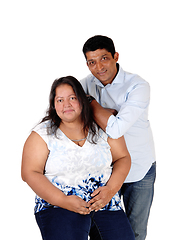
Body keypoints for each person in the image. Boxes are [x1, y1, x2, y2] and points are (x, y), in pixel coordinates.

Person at [21, 76, 135, 240]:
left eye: (72, 98)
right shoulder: (42, 134)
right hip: (58, 204)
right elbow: (29, 173)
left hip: (104, 203)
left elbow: (123, 157)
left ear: (82, 100)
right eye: (59, 100)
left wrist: (110, 190)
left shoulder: (104, 127)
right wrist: (63, 200)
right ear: (53, 105)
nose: (66, 105)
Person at [81, 35, 156, 240]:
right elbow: (65, 111)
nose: (98, 67)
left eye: (104, 58)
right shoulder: (85, 84)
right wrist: (108, 112)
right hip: (104, 169)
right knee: (100, 231)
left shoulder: (138, 86)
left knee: (135, 231)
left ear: (115, 56)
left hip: (138, 170)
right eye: (91, 62)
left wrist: (91, 103)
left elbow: (116, 130)